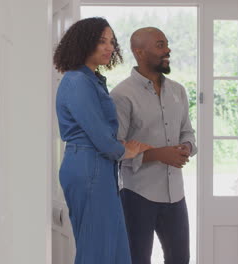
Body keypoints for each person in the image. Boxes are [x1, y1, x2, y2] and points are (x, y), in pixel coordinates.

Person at [53, 17, 151, 264]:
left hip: (95, 165)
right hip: (90, 165)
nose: (109, 47)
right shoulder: (77, 81)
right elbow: (99, 135)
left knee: (110, 244)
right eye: (101, 41)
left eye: (111, 42)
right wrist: (126, 151)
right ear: (84, 43)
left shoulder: (90, 79)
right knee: (98, 248)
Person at [110, 27, 197, 264]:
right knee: (137, 259)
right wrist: (159, 155)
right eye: (160, 45)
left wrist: (186, 147)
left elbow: (187, 131)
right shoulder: (121, 95)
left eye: (167, 44)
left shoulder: (178, 91)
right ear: (139, 52)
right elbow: (115, 150)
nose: (167, 49)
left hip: (175, 195)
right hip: (137, 195)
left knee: (180, 259)